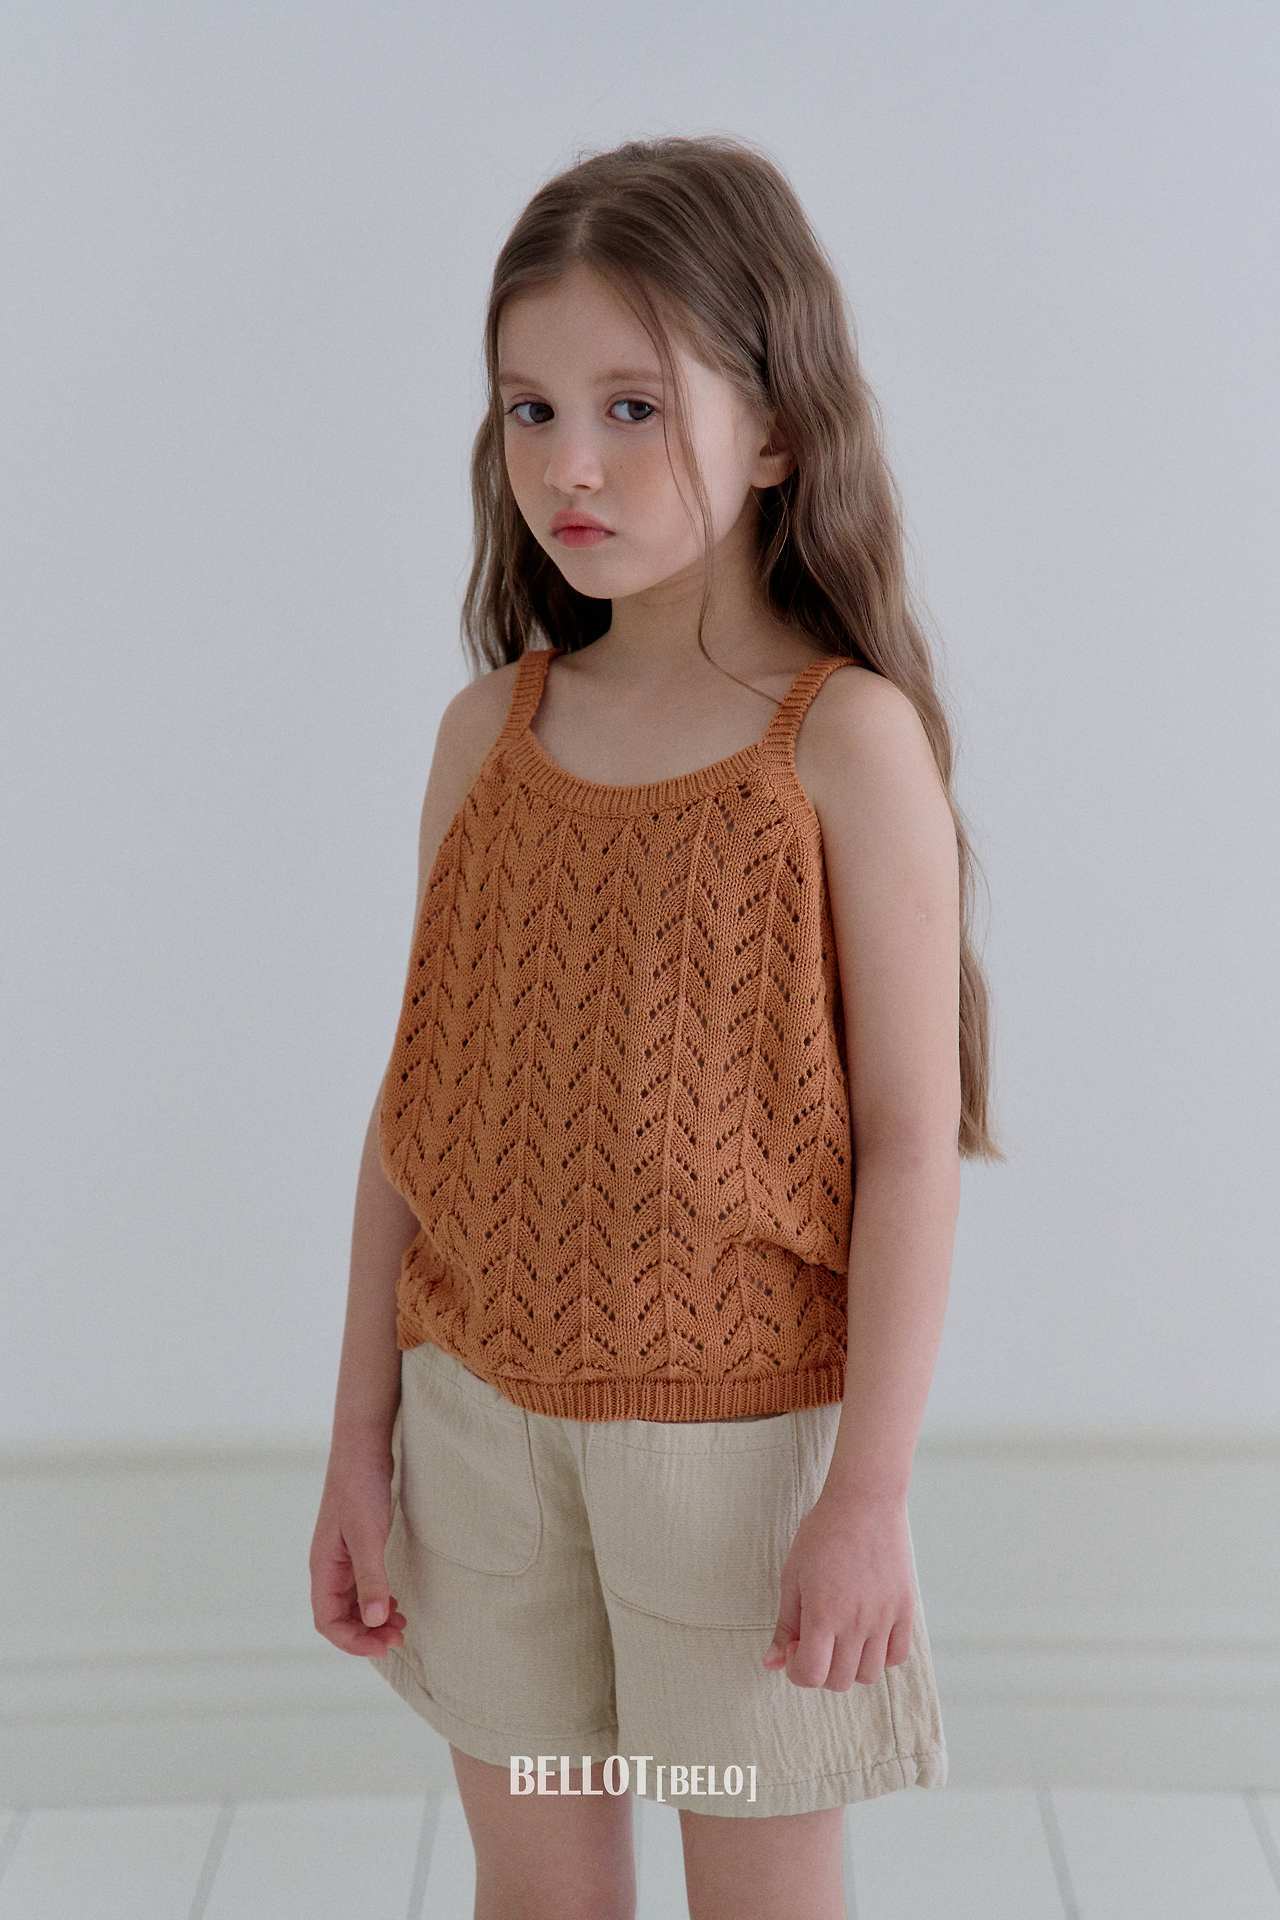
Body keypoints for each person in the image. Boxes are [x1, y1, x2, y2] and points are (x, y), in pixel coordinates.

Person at [310, 132, 1002, 1920]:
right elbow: (415, 1112)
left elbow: (911, 1144)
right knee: (537, 1885)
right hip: (481, 1439)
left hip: (739, 1466)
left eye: (633, 407)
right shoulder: (488, 738)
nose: (570, 463)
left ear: (774, 429)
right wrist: (359, 1442)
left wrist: (868, 1495)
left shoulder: (840, 746)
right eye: (530, 411)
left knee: (762, 1894)